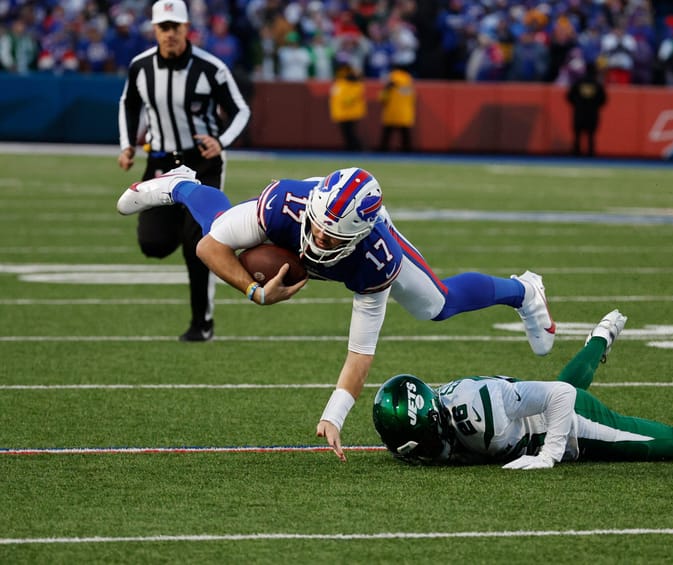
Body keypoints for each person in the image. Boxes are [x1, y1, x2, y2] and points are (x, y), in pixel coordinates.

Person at [115, 165, 556, 461]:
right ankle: (178, 184)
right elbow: (208, 247)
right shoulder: (286, 204)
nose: (318, 242)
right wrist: (255, 291)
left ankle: (522, 290)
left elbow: (360, 353)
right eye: (319, 231)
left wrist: (334, 414)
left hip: (369, 238)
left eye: (330, 239)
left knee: (436, 306)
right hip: (302, 208)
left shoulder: (374, 257)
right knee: (221, 229)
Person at [372, 309, 673, 469]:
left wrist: (551, 454)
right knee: (553, 388)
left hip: (570, 420)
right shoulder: (442, 412)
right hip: (532, 412)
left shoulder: (482, 414)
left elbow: (562, 398)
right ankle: (600, 336)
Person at [117, 0, 251, 342]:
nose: (170, 34)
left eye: (176, 27)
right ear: (155, 30)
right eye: (164, 27)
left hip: (202, 163)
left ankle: (201, 323)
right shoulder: (140, 66)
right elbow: (129, 103)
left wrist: (221, 141)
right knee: (153, 244)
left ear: (186, 28)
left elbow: (240, 110)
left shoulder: (211, 67)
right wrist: (126, 144)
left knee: (200, 244)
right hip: (160, 164)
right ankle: (183, 222)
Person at [565, 62, 607, 157]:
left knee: (577, 135)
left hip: (579, 112)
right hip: (592, 113)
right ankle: (591, 153)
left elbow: (569, 96)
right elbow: (603, 99)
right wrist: (595, 105)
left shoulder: (579, 82)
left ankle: (576, 152)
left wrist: (577, 104)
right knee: (591, 135)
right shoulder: (597, 84)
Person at [377, 64, 416, 152]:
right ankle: (407, 151)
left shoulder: (392, 80)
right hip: (405, 111)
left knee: (387, 133)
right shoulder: (408, 80)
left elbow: (382, 98)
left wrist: (386, 90)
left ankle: (383, 150)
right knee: (405, 134)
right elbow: (412, 97)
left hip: (392, 111)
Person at [329, 62, 366, 151]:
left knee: (350, 132)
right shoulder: (341, 83)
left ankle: (356, 148)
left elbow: (349, 99)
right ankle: (351, 147)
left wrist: (345, 103)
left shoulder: (355, 85)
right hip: (343, 112)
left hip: (351, 112)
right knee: (347, 132)